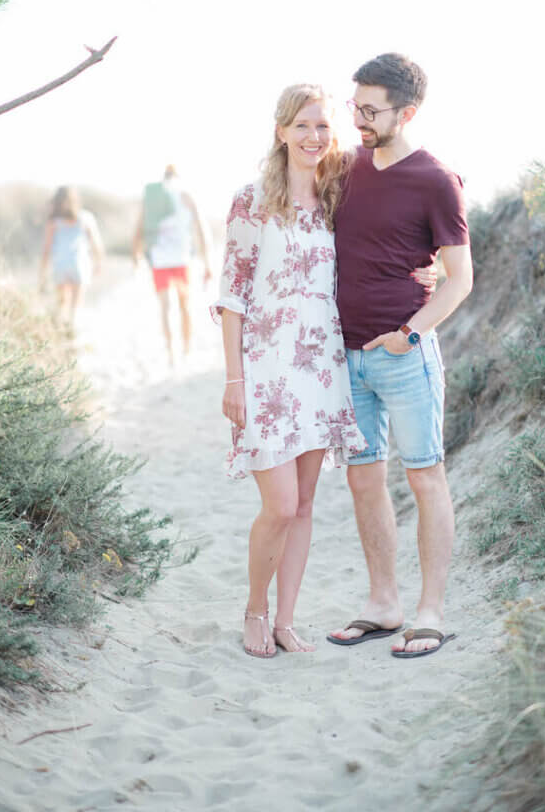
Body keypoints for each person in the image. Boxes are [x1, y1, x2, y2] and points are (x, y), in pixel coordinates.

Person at [212, 84, 369, 658]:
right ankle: (254, 608)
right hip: (266, 373)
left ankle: (286, 619)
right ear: (281, 132)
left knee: (304, 506)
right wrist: (234, 380)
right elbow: (231, 296)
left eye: (323, 126)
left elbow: (382, 250)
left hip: (320, 370)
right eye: (302, 125)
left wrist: (425, 274)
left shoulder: (336, 202)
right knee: (277, 506)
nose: (313, 137)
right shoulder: (251, 201)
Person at [326, 53, 473, 659]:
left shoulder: (436, 179)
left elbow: (460, 280)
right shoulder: (344, 168)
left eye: (370, 109)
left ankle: (430, 612)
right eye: (353, 105)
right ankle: (383, 605)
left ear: (406, 112)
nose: (357, 119)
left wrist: (409, 333)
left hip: (403, 355)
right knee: (365, 482)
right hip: (345, 358)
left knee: (424, 476)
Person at [132, 165, 212, 366]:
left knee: (165, 308)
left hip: (159, 260)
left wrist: (136, 254)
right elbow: (201, 228)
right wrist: (207, 261)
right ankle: (186, 349)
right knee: (185, 305)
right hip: (181, 259)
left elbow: (139, 227)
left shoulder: (151, 198)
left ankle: (171, 353)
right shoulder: (186, 195)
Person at [39, 186, 104, 329]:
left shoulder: (54, 222)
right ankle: (73, 332)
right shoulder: (86, 217)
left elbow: (46, 249)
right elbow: (96, 244)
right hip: (79, 264)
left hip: (60, 265)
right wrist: (99, 262)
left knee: (62, 304)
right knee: (76, 305)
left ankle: (62, 332)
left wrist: (42, 273)